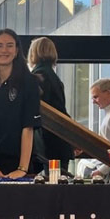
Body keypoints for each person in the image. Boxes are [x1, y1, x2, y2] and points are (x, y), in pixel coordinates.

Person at [0, 29, 42, 178]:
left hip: (21, 167)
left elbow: (28, 128)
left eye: (9, 45)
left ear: (17, 51)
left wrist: (22, 169)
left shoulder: (28, 83)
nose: (4, 50)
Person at [27, 37, 74, 170]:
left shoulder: (38, 76)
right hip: (60, 139)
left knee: (51, 187)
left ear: (33, 53)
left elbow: (35, 109)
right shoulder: (54, 77)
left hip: (48, 141)